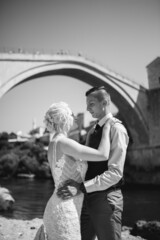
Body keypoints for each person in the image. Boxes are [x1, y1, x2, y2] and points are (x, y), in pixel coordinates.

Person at [57, 86, 129, 240]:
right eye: (87, 104)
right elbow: (88, 165)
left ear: (105, 102)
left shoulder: (117, 129)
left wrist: (82, 187)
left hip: (106, 198)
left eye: (91, 104)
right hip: (88, 197)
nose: (87, 108)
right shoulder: (92, 131)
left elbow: (115, 173)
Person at [34, 101, 111, 240]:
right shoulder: (65, 143)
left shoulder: (53, 144)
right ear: (65, 120)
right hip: (68, 206)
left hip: (56, 203)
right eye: (71, 116)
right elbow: (103, 154)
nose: (74, 119)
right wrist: (106, 129)